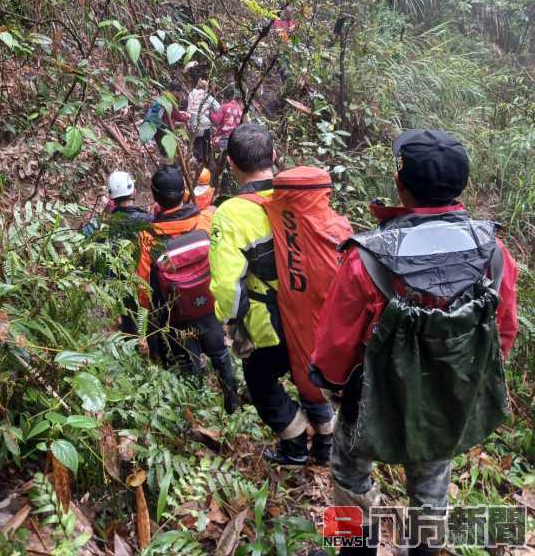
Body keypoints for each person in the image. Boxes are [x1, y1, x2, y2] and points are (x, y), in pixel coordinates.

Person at [309, 129, 519, 556]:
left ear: (400, 185)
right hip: (448, 395)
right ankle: (421, 549)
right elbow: (503, 331)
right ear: (462, 184)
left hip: (371, 398)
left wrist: (331, 387)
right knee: (432, 476)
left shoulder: (366, 256)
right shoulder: (493, 250)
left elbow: (335, 348)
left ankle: (354, 550)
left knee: (348, 473)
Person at [209, 124, 336, 465]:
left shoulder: (231, 213)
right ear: (274, 157)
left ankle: (294, 443)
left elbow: (226, 283)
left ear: (232, 163)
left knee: (261, 378)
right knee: (308, 372)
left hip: (269, 320)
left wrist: (236, 325)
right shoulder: (297, 199)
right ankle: (327, 444)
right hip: (312, 310)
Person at [136, 165, 239, 413]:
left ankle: (197, 411)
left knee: (188, 364)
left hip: (176, 314)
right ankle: (232, 403)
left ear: (154, 195)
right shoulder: (206, 219)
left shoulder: (148, 237)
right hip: (209, 304)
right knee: (220, 354)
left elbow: (143, 285)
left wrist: (146, 319)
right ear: (184, 193)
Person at [144, 81, 188, 159]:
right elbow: (177, 115)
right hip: (157, 125)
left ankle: (164, 158)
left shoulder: (163, 96)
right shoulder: (169, 100)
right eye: (179, 92)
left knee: (160, 141)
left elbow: (169, 112)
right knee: (166, 144)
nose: (180, 94)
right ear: (174, 91)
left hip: (150, 122)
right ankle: (167, 160)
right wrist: (187, 116)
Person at [187, 78, 219, 164]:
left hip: (193, 122)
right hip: (204, 124)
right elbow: (218, 108)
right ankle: (206, 162)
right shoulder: (207, 96)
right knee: (207, 144)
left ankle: (198, 162)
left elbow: (190, 109)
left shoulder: (191, 94)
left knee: (198, 144)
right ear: (206, 88)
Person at [210, 86, 243, 153]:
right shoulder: (240, 110)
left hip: (222, 138)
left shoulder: (225, 106)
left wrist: (210, 113)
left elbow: (216, 121)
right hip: (234, 139)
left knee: (210, 144)